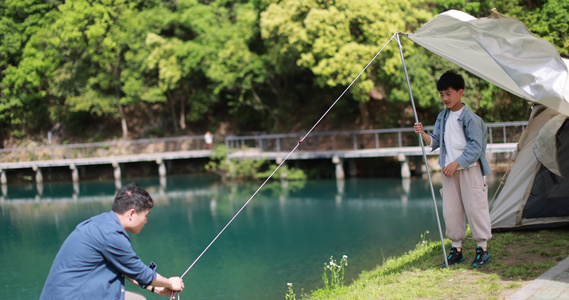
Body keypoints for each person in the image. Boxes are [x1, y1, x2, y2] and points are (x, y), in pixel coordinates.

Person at [40, 182, 185, 299]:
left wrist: (153, 287)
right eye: (146, 215)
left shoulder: (103, 223)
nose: (146, 221)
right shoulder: (111, 235)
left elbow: (126, 267)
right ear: (132, 213)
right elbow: (140, 272)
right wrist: (170, 282)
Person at [414, 70, 492, 268]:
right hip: (449, 171)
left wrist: (456, 163)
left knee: (475, 208)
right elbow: (436, 141)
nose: (445, 98)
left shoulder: (471, 118)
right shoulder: (443, 116)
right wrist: (422, 133)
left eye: (448, 94)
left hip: (469, 168)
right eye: (441, 94)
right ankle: (456, 250)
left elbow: (475, 148)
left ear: (460, 92)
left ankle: (482, 250)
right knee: (452, 211)